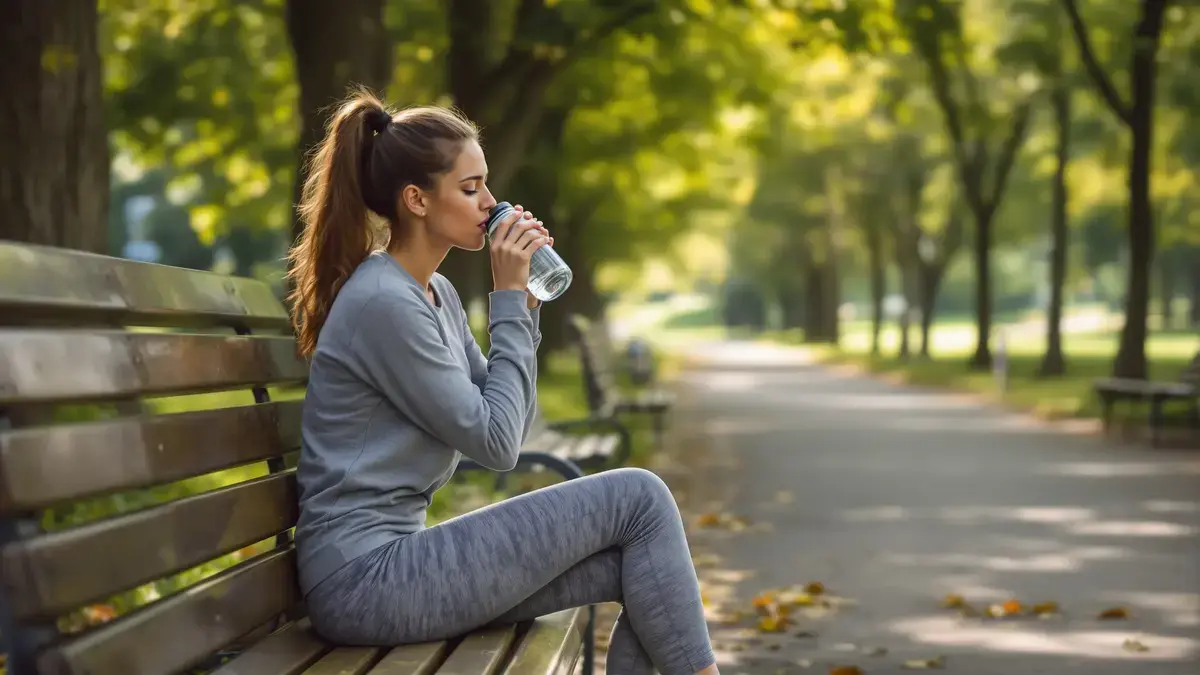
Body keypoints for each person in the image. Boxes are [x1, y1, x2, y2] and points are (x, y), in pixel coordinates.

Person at [285, 88, 718, 675]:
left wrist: (525, 306)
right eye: (470, 189)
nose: (491, 204)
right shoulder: (384, 301)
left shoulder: (432, 295)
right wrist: (510, 300)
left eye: (486, 185)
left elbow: (505, 416)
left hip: (394, 565)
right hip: (366, 581)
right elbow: (499, 445)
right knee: (639, 498)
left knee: (639, 566)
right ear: (416, 199)